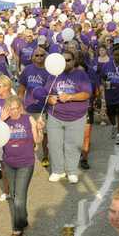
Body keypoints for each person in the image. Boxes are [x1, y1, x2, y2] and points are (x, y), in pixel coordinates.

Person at [45, 49, 92, 184]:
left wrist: (70, 97)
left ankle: (71, 171)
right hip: (55, 115)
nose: (65, 62)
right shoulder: (53, 75)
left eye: (68, 60)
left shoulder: (81, 75)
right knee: (54, 144)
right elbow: (46, 93)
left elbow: (87, 93)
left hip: (76, 116)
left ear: (74, 61)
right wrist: (49, 99)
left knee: (74, 144)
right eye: (63, 60)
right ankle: (57, 170)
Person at [1, 96, 44, 236]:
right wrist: (0, 121)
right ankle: (23, 219)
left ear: (20, 108)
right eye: (11, 109)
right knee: (15, 195)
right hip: (9, 163)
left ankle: (17, 226)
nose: (14, 112)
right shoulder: (3, 123)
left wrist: (40, 129)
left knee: (19, 197)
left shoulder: (28, 119)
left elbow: (37, 140)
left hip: (25, 163)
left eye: (16, 108)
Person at [100, 45, 119, 146]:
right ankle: (114, 125)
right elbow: (102, 78)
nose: (117, 57)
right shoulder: (106, 65)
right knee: (110, 113)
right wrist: (104, 83)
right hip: (110, 94)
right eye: (115, 55)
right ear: (112, 55)